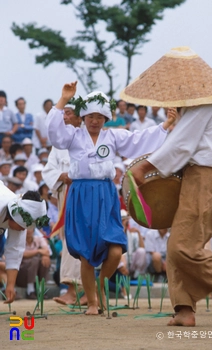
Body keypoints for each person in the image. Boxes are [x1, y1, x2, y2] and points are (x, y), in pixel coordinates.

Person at [124, 46, 212, 325]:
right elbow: (183, 143)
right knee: (180, 245)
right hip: (198, 177)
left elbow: (183, 144)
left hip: (205, 178)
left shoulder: (204, 103)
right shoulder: (199, 105)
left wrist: (145, 166)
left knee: (181, 247)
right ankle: (184, 310)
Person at [46, 81, 176, 315]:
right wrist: (64, 99)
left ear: (106, 118)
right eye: (90, 116)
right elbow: (54, 134)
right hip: (81, 194)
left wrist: (165, 125)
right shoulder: (73, 136)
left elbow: (138, 140)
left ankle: (99, 285)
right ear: (83, 117)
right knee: (85, 254)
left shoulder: (113, 136)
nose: (95, 121)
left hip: (106, 194)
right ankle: (93, 302)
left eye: (99, 116)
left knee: (115, 250)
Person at [42, 104, 87, 305]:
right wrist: (62, 175)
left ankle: (83, 290)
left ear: (79, 117)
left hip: (86, 193)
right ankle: (74, 289)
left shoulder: (89, 137)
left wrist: (76, 175)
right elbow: (48, 170)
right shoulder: (58, 143)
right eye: (64, 113)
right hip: (66, 195)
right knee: (69, 240)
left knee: (85, 239)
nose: (65, 117)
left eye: (69, 113)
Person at [0, 182, 48, 303]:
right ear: (13, 215)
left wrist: (10, 285)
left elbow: (15, 250)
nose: (23, 230)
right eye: (22, 226)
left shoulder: (19, 218)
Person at [15, 227, 51, 299]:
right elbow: (21, 254)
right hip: (21, 272)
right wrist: (38, 251)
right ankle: (30, 290)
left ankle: (40, 289)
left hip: (36, 270)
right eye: (26, 229)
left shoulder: (39, 238)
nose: (28, 231)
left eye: (30, 228)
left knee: (45, 260)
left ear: (33, 230)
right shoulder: (18, 240)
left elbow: (47, 251)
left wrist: (45, 256)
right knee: (35, 260)